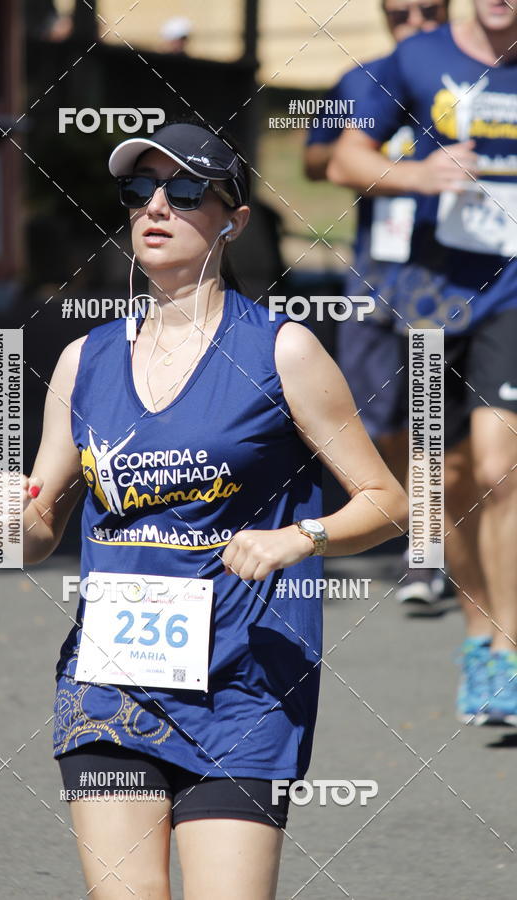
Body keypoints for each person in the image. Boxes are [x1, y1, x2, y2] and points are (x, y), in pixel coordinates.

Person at [0, 121, 408, 898]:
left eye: (184, 192)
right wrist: (10, 517)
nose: (156, 206)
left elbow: (389, 503)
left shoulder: (282, 351)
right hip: (109, 685)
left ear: (233, 220)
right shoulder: (85, 361)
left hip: (242, 685)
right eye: (138, 191)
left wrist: (299, 537)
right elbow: (37, 535)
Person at [329, 0, 517, 726]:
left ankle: (507, 650)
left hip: (508, 296)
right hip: (429, 300)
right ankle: (478, 632)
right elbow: (345, 157)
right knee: (445, 480)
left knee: (499, 464)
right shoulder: (417, 59)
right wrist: (416, 174)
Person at [305, 0, 450, 605]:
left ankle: (429, 551)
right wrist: (383, 157)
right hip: (374, 270)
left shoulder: (467, 82)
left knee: (431, 412)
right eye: (400, 13)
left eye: (429, 11)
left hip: (446, 275)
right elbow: (318, 159)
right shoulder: (362, 79)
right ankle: (426, 525)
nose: (413, 23)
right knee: (374, 412)